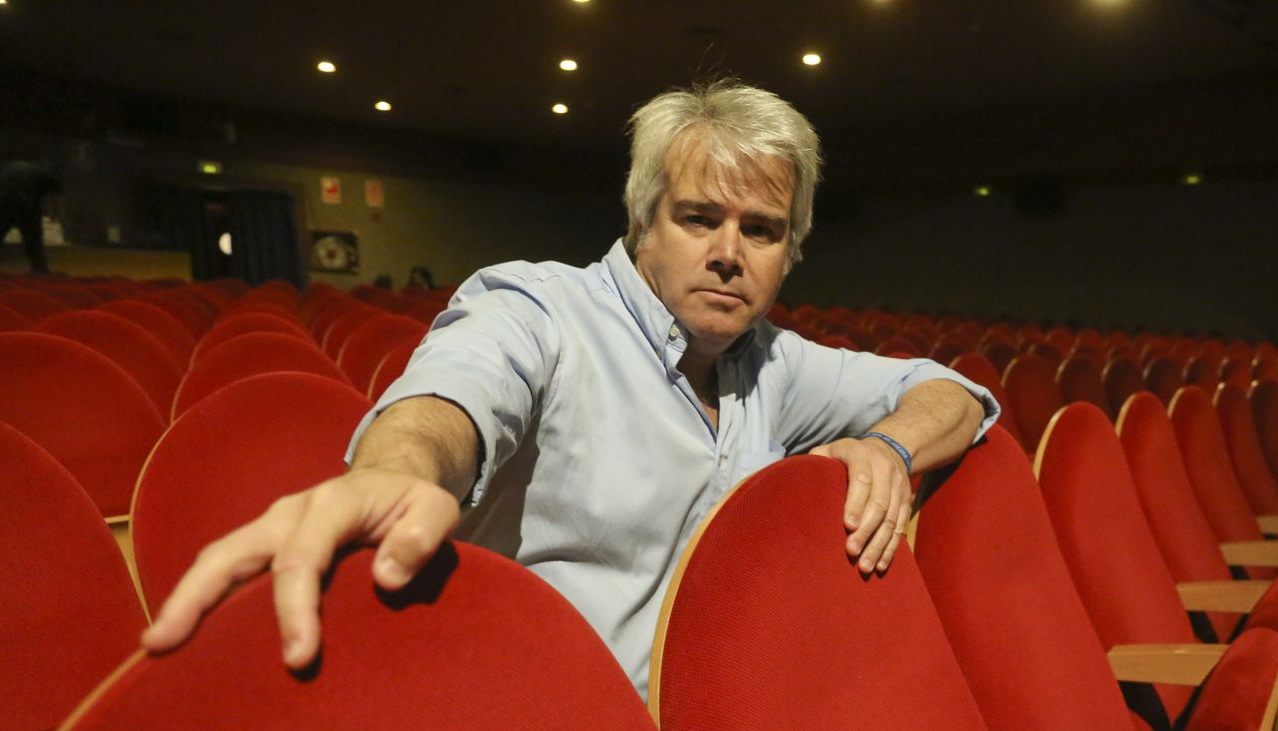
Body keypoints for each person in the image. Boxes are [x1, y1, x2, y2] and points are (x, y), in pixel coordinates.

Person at [142, 80, 998, 697]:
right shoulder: (543, 311)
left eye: (763, 230)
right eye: (699, 218)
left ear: (790, 251)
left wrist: (889, 447)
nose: (728, 253)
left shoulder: (770, 361)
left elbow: (951, 391)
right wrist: (395, 472)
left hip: (722, 730)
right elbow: (453, 398)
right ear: (643, 222)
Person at [0, 159, 62, 273]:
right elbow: (47, 200)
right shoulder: (47, 177)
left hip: (0, 199)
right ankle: (39, 268)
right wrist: (55, 214)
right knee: (33, 237)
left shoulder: (18, 168)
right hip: (21, 199)